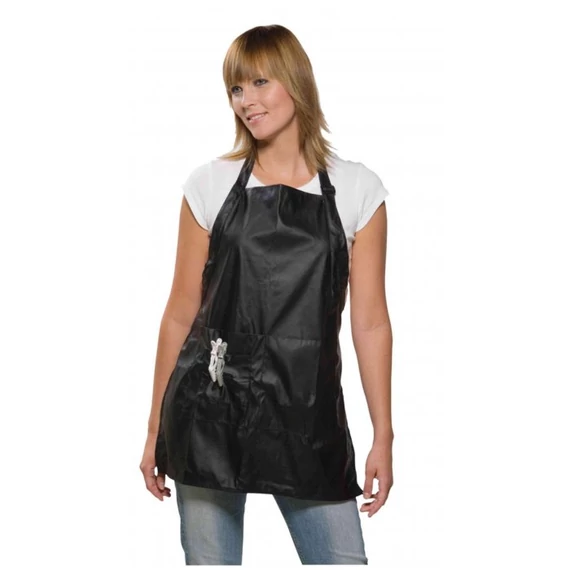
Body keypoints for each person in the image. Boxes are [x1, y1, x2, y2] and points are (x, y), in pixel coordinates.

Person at [140, 24, 394, 565]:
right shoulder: (209, 184)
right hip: (210, 413)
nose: (246, 101)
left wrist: (383, 434)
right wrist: (155, 428)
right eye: (236, 88)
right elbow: (181, 312)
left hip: (307, 417)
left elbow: (371, 322)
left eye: (260, 82)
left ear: (296, 82)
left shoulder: (357, 189)